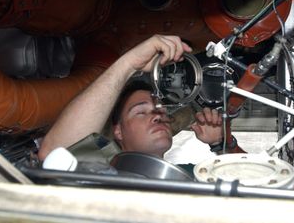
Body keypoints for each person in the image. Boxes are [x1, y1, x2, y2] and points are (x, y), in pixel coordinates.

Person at [38, 35, 224, 161]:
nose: (158, 115)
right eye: (140, 112)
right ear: (118, 131)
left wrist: (219, 145)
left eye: (159, 109)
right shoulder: (104, 176)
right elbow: (54, 154)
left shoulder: (191, 175)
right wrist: (128, 64)